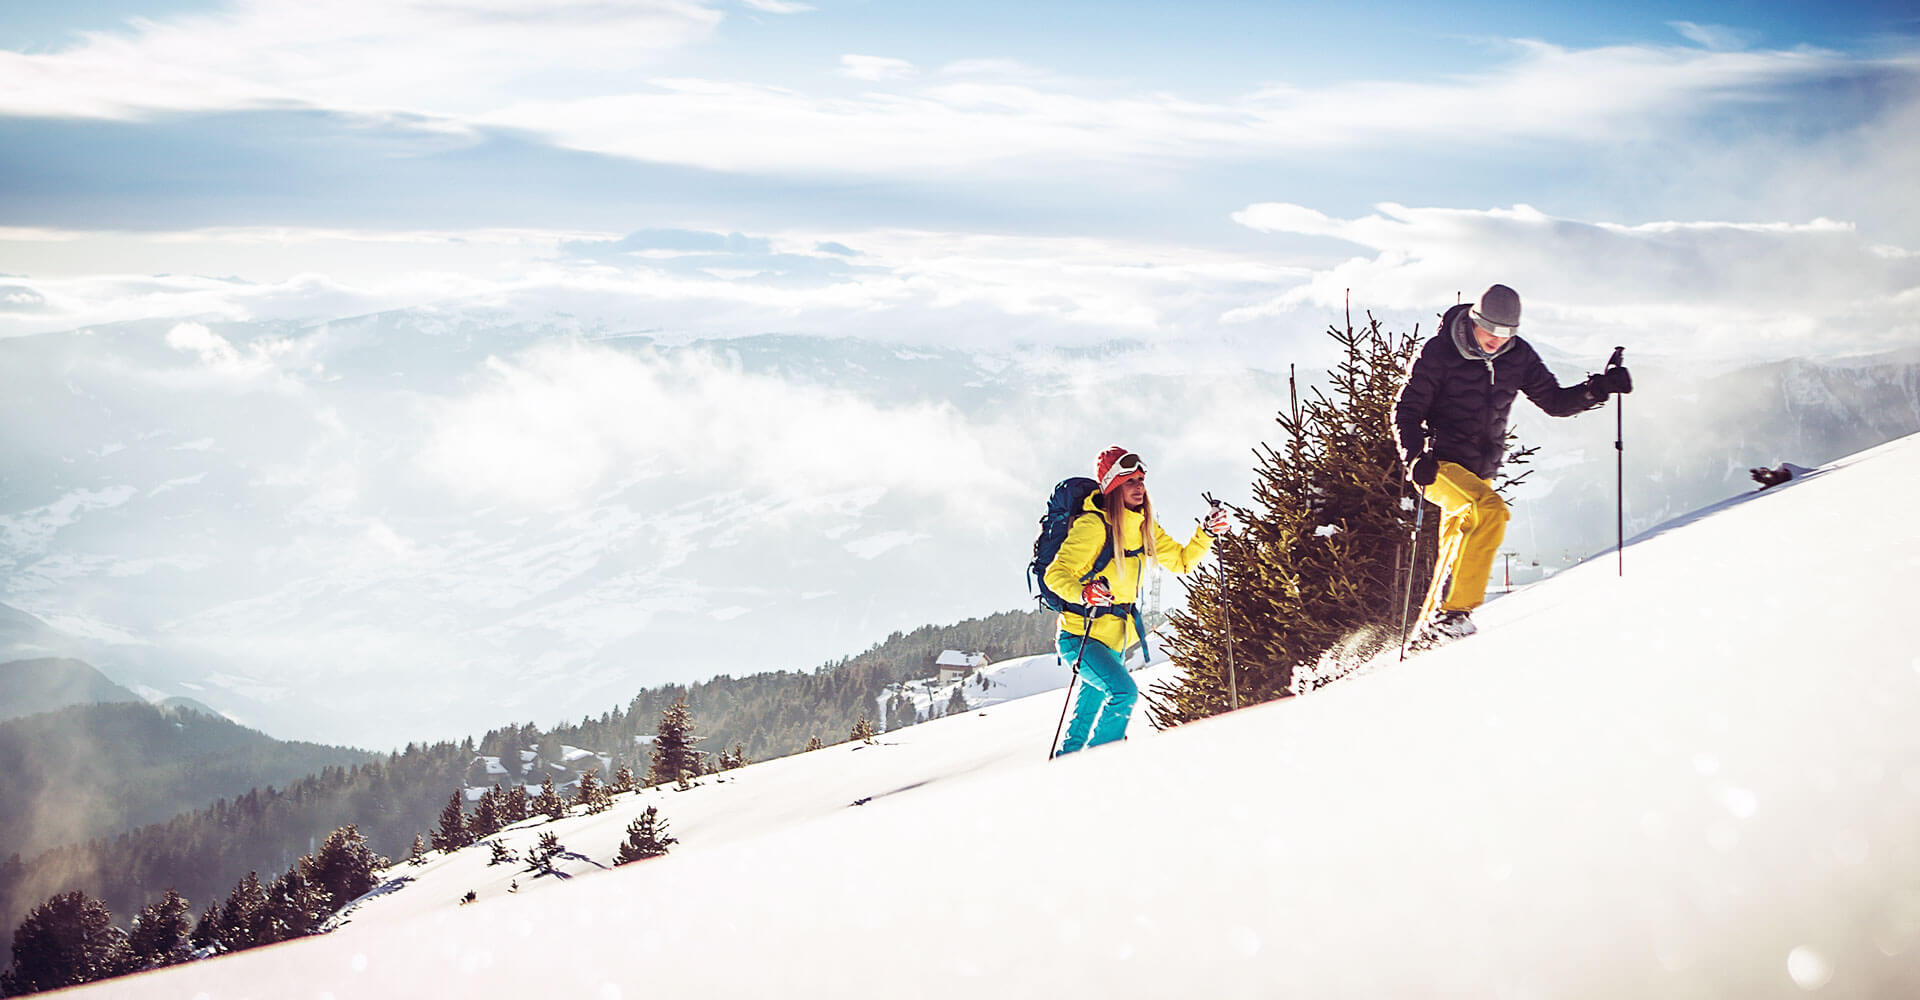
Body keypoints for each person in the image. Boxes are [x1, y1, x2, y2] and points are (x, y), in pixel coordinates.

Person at [1393, 283, 1631, 647]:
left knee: (1457, 546)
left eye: (1506, 332)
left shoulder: (1518, 356)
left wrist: (1597, 389)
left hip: (1480, 470)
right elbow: (1406, 410)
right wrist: (1413, 458)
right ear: (1474, 320)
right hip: (1438, 464)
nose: (1496, 339)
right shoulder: (1439, 353)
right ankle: (1453, 614)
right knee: (1489, 511)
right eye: (1490, 329)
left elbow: (1553, 401)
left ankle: (1427, 636)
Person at [1044, 446, 1228, 755]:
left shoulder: (1145, 527)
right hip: (1080, 636)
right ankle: (1103, 761)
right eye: (1130, 481)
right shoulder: (1092, 526)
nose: (1139, 487)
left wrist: (1206, 533)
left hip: (1115, 642)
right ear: (1114, 487)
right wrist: (1084, 593)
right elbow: (1055, 574)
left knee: (1086, 716)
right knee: (1123, 692)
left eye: (1141, 479)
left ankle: (1066, 768)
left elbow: (1182, 561)